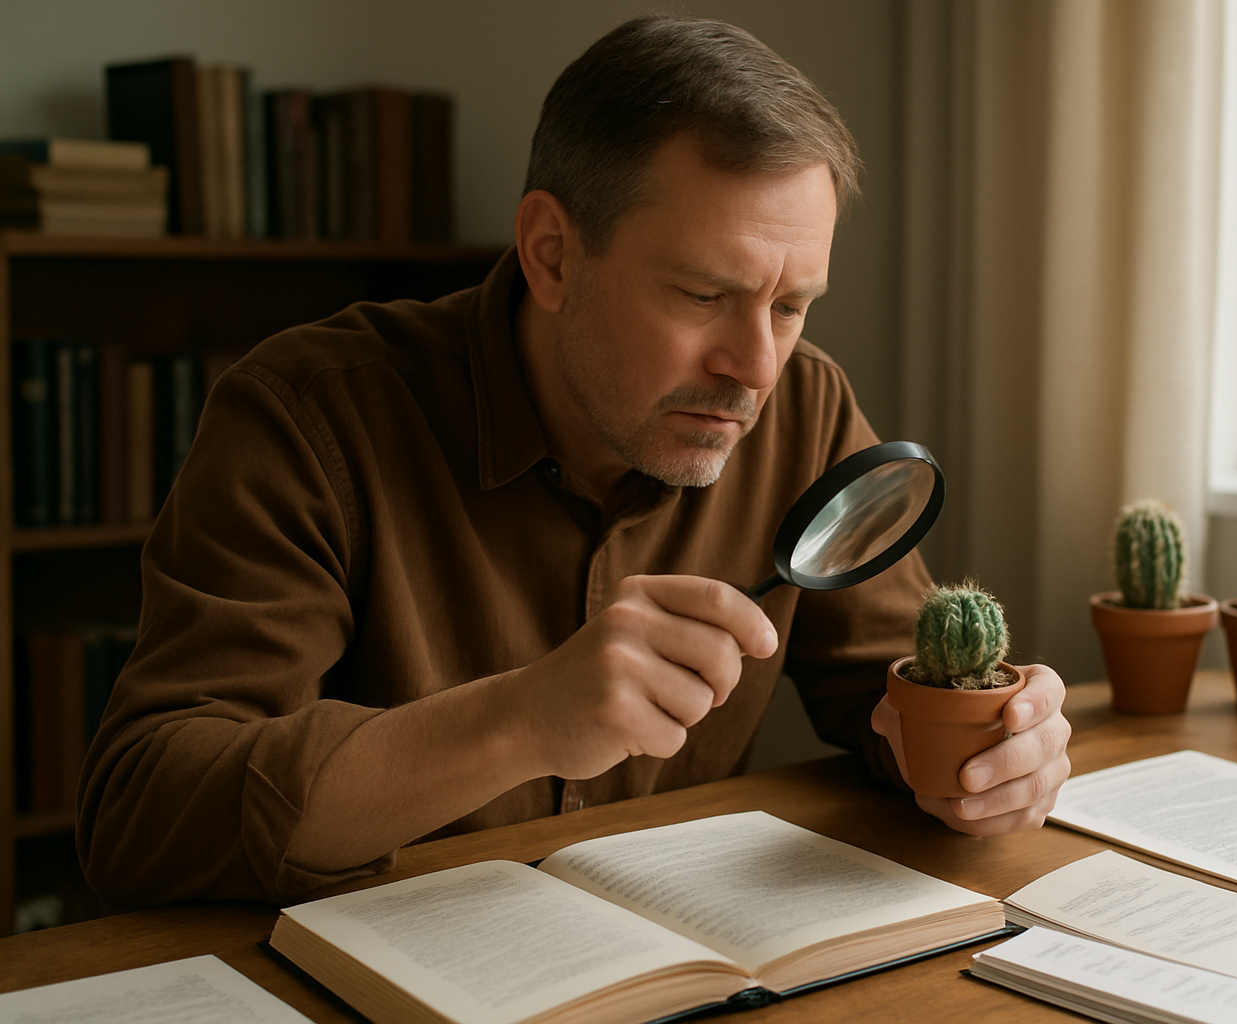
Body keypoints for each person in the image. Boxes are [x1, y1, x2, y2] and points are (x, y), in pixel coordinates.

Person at [77, 14, 1071, 908]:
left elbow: (886, 695)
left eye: (790, 303)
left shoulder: (804, 405)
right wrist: (520, 718)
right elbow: (144, 811)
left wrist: (993, 747)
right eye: (700, 293)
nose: (755, 367)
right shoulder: (307, 418)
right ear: (552, 254)